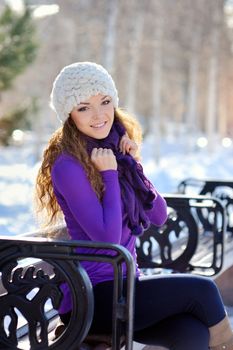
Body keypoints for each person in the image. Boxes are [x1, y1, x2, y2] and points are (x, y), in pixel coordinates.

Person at [35, 61, 233, 350]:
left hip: (127, 284)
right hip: (92, 296)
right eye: (84, 107)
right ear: (69, 114)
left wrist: (133, 166)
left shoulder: (114, 151)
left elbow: (159, 214)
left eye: (104, 101)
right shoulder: (68, 166)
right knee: (203, 290)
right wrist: (110, 174)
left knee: (191, 333)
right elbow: (107, 239)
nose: (99, 114)